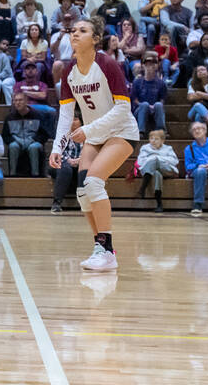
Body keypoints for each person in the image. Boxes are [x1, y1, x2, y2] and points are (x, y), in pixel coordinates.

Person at [49, 18, 139, 272]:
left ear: (96, 39)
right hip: (96, 136)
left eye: (83, 30)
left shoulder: (107, 64)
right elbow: (66, 115)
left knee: (93, 182)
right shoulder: (69, 71)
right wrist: (58, 148)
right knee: (82, 193)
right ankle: (102, 249)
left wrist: (88, 130)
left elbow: (123, 109)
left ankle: (107, 251)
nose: (75, 34)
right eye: (73, 30)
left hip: (121, 132)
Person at [3, 96, 48, 177]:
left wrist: (33, 140)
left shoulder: (38, 116)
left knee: (33, 147)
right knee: (13, 146)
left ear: (26, 102)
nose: (18, 102)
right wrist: (14, 140)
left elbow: (44, 134)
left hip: (34, 142)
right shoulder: (9, 117)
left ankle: (36, 175)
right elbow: (5, 135)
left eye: (20, 100)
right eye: (15, 100)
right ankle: (12, 175)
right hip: (16, 142)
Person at [184, 121, 208, 216]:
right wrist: (198, 165)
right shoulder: (189, 148)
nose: (196, 131)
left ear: (205, 130)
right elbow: (188, 167)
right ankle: (197, 205)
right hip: (199, 170)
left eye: (199, 128)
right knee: (200, 171)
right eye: (194, 130)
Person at [136, 129, 176, 212]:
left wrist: (158, 158)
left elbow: (174, 161)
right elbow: (140, 162)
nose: (153, 141)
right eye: (151, 138)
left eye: (156, 139)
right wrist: (153, 160)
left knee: (155, 160)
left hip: (166, 169)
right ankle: (159, 204)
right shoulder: (145, 148)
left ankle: (143, 187)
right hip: (151, 171)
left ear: (162, 140)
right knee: (157, 174)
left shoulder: (168, 148)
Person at [50, 114, 83, 214]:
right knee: (65, 168)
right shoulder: (62, 135)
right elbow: (57, 152)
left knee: (85, 169)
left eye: (75, 119)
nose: (72, 121)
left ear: (81, 121)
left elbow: (90, 153)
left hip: (80, 163)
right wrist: (68, 160)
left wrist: (79, 160)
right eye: (71, 119)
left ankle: (85, 203)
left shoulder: (87, 135)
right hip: (61, 164)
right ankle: (56, 203)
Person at [130, 54, 167, 136]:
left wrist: (153, 106)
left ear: (156, 67)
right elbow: (135, 100)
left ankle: (161, 130)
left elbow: (162, 99)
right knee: (144, 104)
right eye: (147, 65)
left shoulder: (161, 83)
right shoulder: (137, 82)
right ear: (143, 67)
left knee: (158, 105)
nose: (149, 67)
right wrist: (146, 106)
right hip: (140, 110)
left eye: (152, 65)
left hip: (155, 109)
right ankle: (140, 131)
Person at [186, 65, 208, 129]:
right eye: (198, 71)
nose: (200, 71)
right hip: (192, 113)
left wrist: (200, 94)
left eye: (203, 70)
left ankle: (200, 135)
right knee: (197, 105)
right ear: (196, 74)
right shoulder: (193, 84)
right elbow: (190, 97)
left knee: (198, 115)